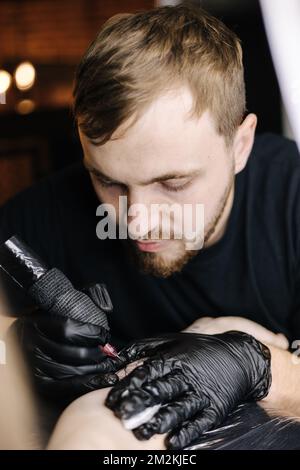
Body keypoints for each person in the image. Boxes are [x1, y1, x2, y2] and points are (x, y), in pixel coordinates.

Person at [1, 3, 300, 443]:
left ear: (240, 144)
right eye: (108, 181)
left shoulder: (291, 197)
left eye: (172, 183)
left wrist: (260, 369)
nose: (136, 222)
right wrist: (14, 345)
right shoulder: (53, 207)